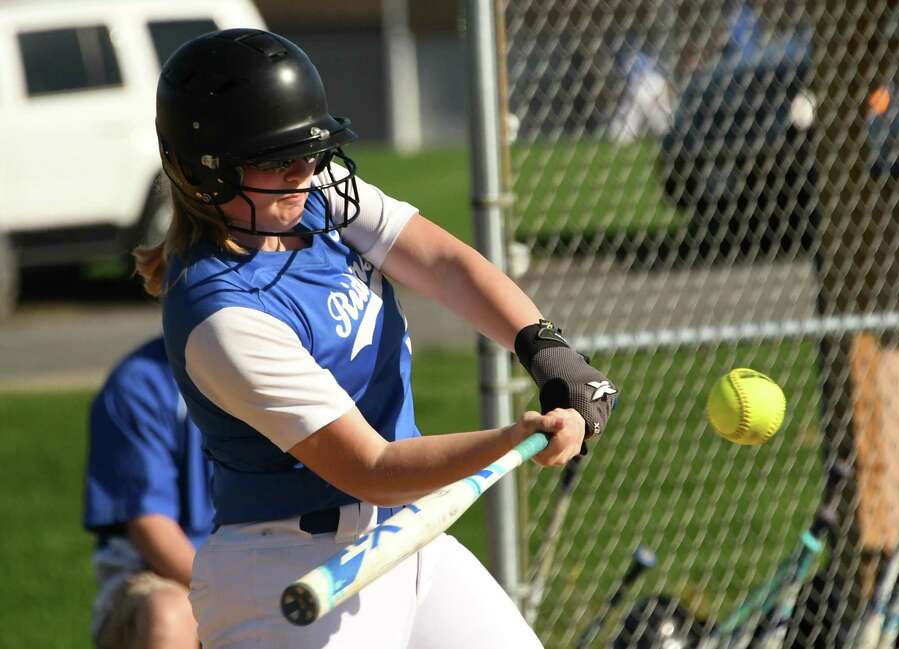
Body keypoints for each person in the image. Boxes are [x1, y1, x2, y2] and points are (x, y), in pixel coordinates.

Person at [133, 28, 618, 649]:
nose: (306, 170)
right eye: (280, 159)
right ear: (210, 173)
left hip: (409, 536)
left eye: (309, 151)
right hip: (291, 572)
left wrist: (550, 353)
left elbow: (441, 263)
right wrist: (516, 438)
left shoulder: (307, 199)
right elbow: (372, 467)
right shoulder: (222, 316)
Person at [83, 337, 214, 649]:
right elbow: (152, 531)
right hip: (161, 574)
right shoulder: (139, 382)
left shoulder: (283, 367)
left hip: (262, 562)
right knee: (170, 613)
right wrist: (238, 597)